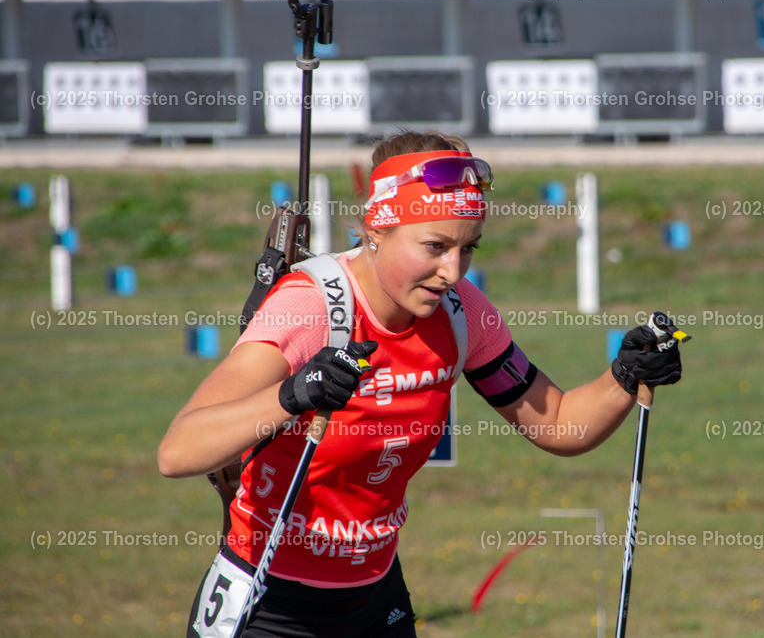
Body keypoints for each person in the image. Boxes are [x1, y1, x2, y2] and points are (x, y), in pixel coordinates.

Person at [158, 130, 684, 637]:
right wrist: (293, 394)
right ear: (377, 229)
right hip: (269, 603)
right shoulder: (311, 307)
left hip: (374, 596)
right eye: (434, 246)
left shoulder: (459, 313)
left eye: (469, 248)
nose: (453, 271)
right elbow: (178, 452)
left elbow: (557, 424)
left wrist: (624, 376)